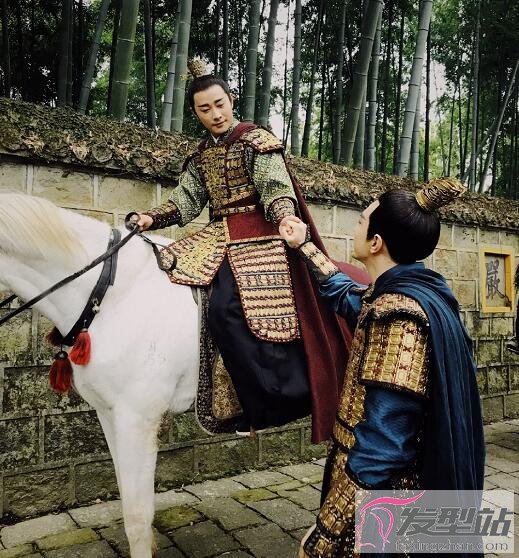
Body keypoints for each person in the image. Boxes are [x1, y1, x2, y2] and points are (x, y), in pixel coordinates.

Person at [130, 60, 368, 439]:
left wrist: (285, 216)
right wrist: (150, 218)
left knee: (225, 308)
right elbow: (185, 201)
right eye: (205, 109)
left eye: (219, 104)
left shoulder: (256, 140)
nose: (215, 114)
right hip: (217, 234)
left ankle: (265, 402)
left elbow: (275, 187)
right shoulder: (200, 156)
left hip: (260, 233)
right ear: (195, 113)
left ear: (231, 100)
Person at [279, 178, 485, 557]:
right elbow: (347, 296)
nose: (356, 226)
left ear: (376, 242)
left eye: (361, 221)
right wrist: (304, 245)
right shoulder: (399, 293)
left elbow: (383, 445)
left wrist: (329, 528)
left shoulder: (399, 317)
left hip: (386, 504)